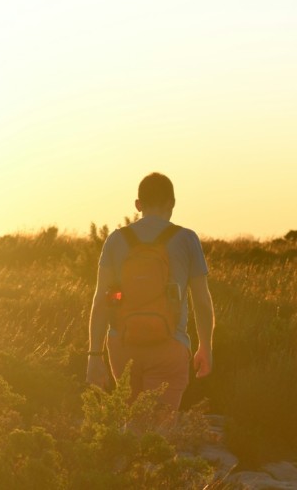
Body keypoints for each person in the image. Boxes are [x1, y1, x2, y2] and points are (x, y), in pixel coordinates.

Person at [86, 172, 214, 413]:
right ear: (172, 203)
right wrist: (205, 347)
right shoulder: (187, 239)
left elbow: (100, 301)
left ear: (138, 204)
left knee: (130, 425)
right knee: (157, 433)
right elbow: (202, 301)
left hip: (122, 345)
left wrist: (94, 355)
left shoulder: (116, 240)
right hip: (170, 345)